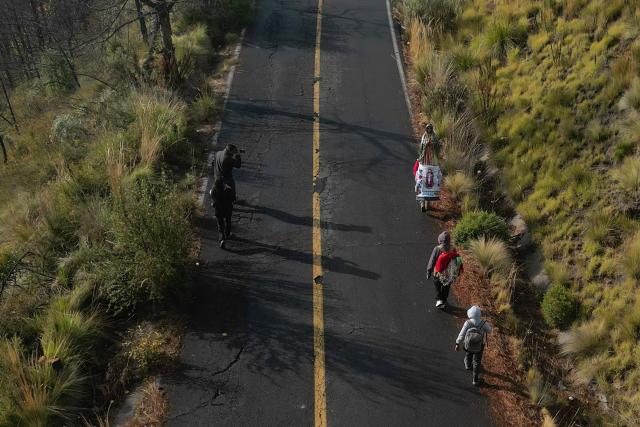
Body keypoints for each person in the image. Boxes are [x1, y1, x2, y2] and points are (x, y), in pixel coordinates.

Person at [455, 306, 492, 386]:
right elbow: (489, 330)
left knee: (468, 353)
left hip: (468, 344)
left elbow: (462, 334)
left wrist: (457, 343)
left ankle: (467, 365)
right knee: (477, 361)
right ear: (479, 314)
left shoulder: (468, 323)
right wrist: (486, 324)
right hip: (479, 345)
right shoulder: (483, 323)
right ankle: (475, 380)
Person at [426, 231, 463, 309]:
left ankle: (439, 300)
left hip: (438, 273)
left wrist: (429, 271)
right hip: (449, 274)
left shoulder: (437, 249)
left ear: (440, 240)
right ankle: (444, 299)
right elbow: (456, 260)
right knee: (446, 287)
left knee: (437, 286)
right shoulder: (453, 249)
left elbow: (432, 260)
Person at [416, 123, 441, 212]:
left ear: (432, 129)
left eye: (430, 128)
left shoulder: (434, 137)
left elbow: (438, 147)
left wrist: (433, 145)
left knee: (431, 182)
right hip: (425, 160)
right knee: (422, 180)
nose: (429, 130)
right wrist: (426, 146)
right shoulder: (424, 137)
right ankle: (423, 203)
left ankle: (427, 204)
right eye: (428, 128)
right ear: (426, 129)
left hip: (432, 161)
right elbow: (421, 149)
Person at [211, 178, 235, 249]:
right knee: (228, 221)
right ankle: (228, 234)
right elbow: (233, 199)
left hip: (219, 211)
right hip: (228, 210)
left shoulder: (213, 191)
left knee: (220, 226)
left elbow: (214, 203)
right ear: (223, 184)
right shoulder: (228, 189)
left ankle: (222, 239)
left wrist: (213, 204)